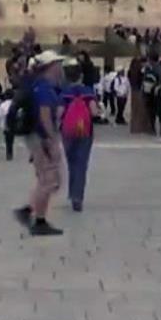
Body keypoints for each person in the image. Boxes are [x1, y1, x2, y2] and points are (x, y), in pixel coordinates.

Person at [13, 51, 66, 236]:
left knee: (46, 178)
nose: (60, 68)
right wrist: (51, 139)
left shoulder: (39, 85)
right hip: (42, 137)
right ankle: (38, 220)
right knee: (49, 180)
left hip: (36, 137)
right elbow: (45, 116)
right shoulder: (43, 88)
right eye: (58, 64)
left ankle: (29, 211)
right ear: (50, 67)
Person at [60, 65, 98, 211]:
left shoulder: (64, 93)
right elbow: (94, 112)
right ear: (81, 76)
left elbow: (59, 113)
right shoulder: (88, 92)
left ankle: (72, 193)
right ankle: (78, 197)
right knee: (81, 164)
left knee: (72, 164)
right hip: (85, 132)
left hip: (68, 132)